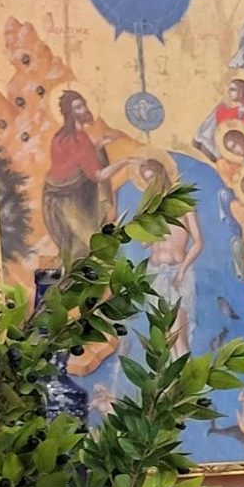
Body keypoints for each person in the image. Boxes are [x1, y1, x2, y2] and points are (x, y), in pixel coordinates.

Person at [42, 91, 134, 262]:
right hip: (71, 202)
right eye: (78, 107)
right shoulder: (80, 139)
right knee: (89, 245)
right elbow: (98, 175)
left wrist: (98, 145)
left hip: (55, 197)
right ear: (70, 113)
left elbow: (76, 161)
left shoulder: (60, 136)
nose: (84, 109)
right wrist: (125, 161)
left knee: (76, 247)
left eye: (83, 104)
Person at [135, 155, 203, 357]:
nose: (151, 183)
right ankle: (173, 377)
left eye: (153, 177)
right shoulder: (150, 209)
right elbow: (144, 243)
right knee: (165, 337)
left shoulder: (183, 205)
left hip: (177, 272)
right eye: (147, 179)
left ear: (163, 174)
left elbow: (198, 242)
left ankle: (187, 377)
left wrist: (182, 270)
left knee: (178, 335)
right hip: (155, 273)